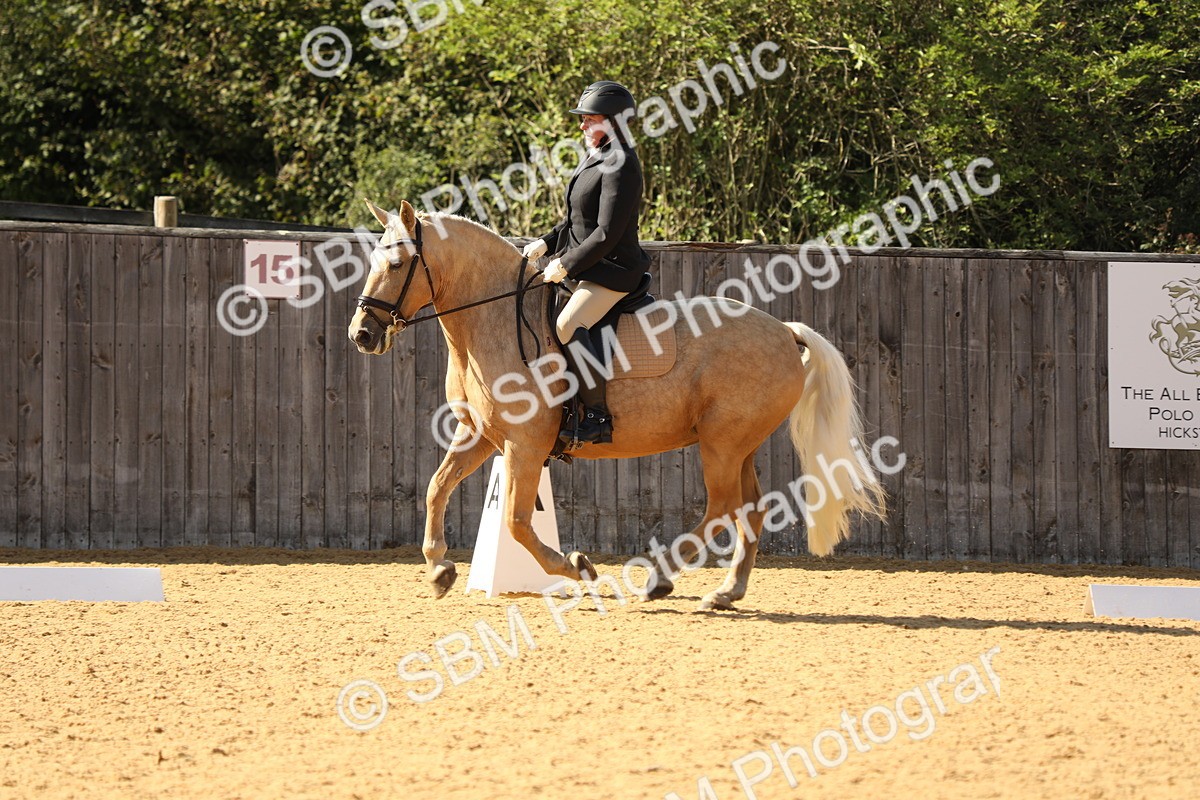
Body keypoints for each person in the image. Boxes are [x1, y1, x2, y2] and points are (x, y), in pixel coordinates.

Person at [522, 80, 652, 445]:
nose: (581, 126)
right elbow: (576, 221)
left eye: (589, 119)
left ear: (612, 122)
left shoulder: (622, 164)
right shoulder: (596, 155)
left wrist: (565, 264)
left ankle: (597, 416)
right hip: (588, 267)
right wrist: (546, 243)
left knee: (568, 324)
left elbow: (606, 233)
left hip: (614, 271)